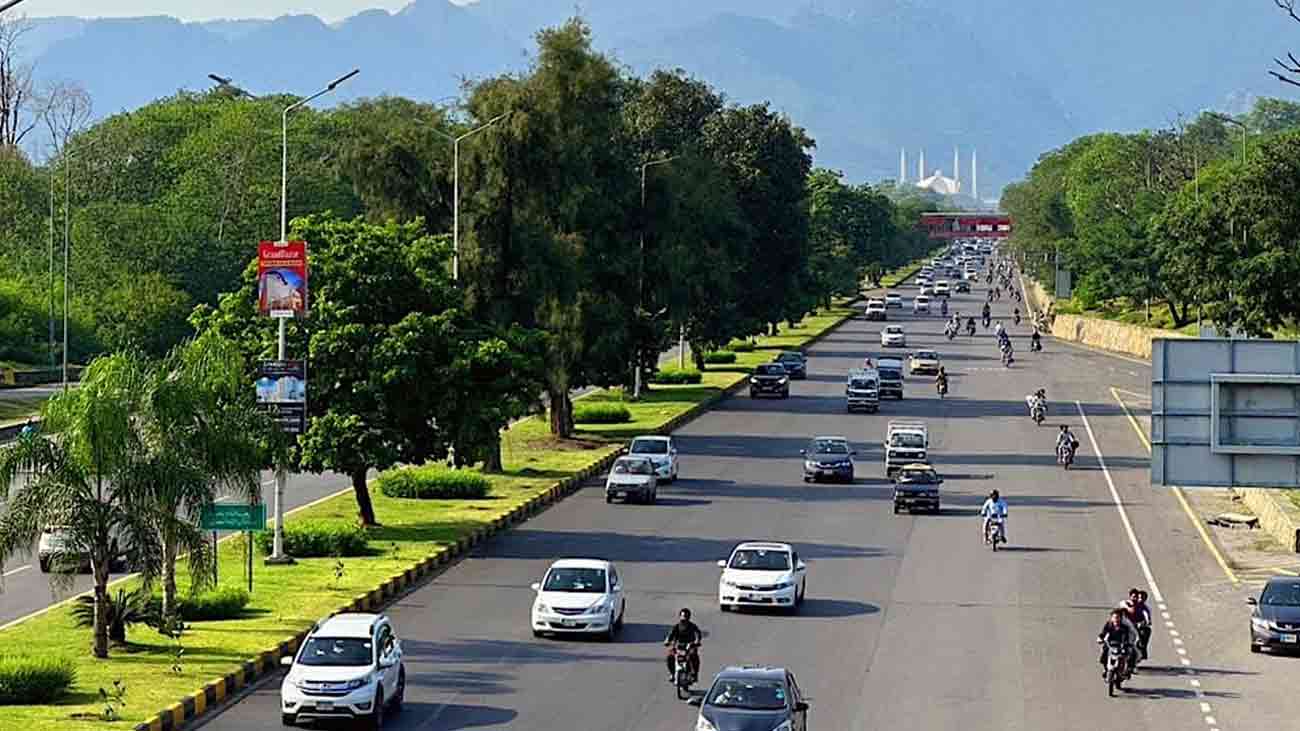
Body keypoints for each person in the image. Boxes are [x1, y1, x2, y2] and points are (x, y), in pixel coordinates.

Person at [664, 608, 702, 682]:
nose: (684, 618)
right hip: (678, 646)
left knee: (693, 656)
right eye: (682, 616)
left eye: (685, 617)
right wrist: (667, 641)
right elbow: (670, 635)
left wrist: (697, 641)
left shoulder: (693, 626)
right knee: (669, 656)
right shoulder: (676, 627)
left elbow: (698, 634)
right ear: (680, 617)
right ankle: (672, 673)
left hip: (690, 646)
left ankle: (694, 674)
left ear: (689, 617)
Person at [1097, 608, 1139, 674]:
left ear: (1121, 618)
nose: (1116, 619)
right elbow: (1103, 633)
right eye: (1114, 617)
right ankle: (1105, 668)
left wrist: (1128, 643)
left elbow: (1127, 636)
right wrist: (1100, 638)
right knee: (1105, 651)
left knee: (1131, 653)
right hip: (1111, 643)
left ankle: (1130, 668)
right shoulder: (1109, 625)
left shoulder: (1125, 627)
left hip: (1121, 644)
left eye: (1118, 617)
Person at [1120, 589, 1153, 661]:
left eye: (1142, 598)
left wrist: (1146, 622)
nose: (1139, 599)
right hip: (1126, 626)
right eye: (1135, 597)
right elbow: (1122, 604)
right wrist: (1128, 608)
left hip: (1136, 627)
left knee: (1146, 631)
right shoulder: (1127, 603)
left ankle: (1142, 648)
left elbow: (1147, 616)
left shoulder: (1144, 608)